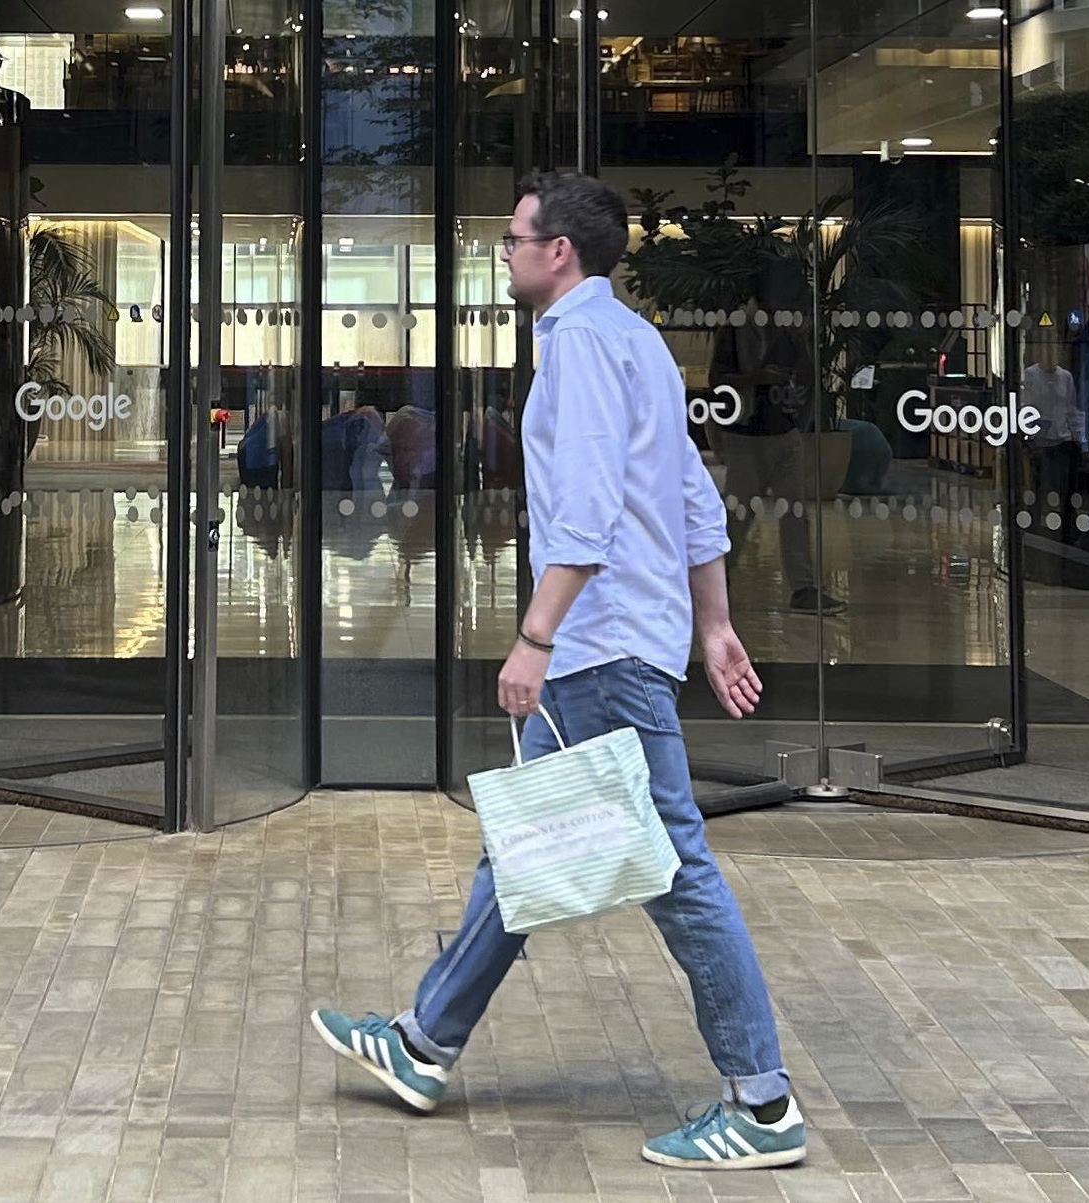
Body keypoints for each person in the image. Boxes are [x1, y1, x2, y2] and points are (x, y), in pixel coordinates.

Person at [312, 173, 807, 1171]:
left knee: (673, 863)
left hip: (599, 643)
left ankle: (761, 1104)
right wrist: (712, 623)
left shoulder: (579, 347)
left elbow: (584, 514)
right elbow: (691, 496)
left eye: (512, 239)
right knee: (527, 849)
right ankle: (423, 1041)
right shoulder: (638, 342)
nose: (503, 252)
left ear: (560, 252)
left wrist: (534, 638)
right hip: (633, 634)